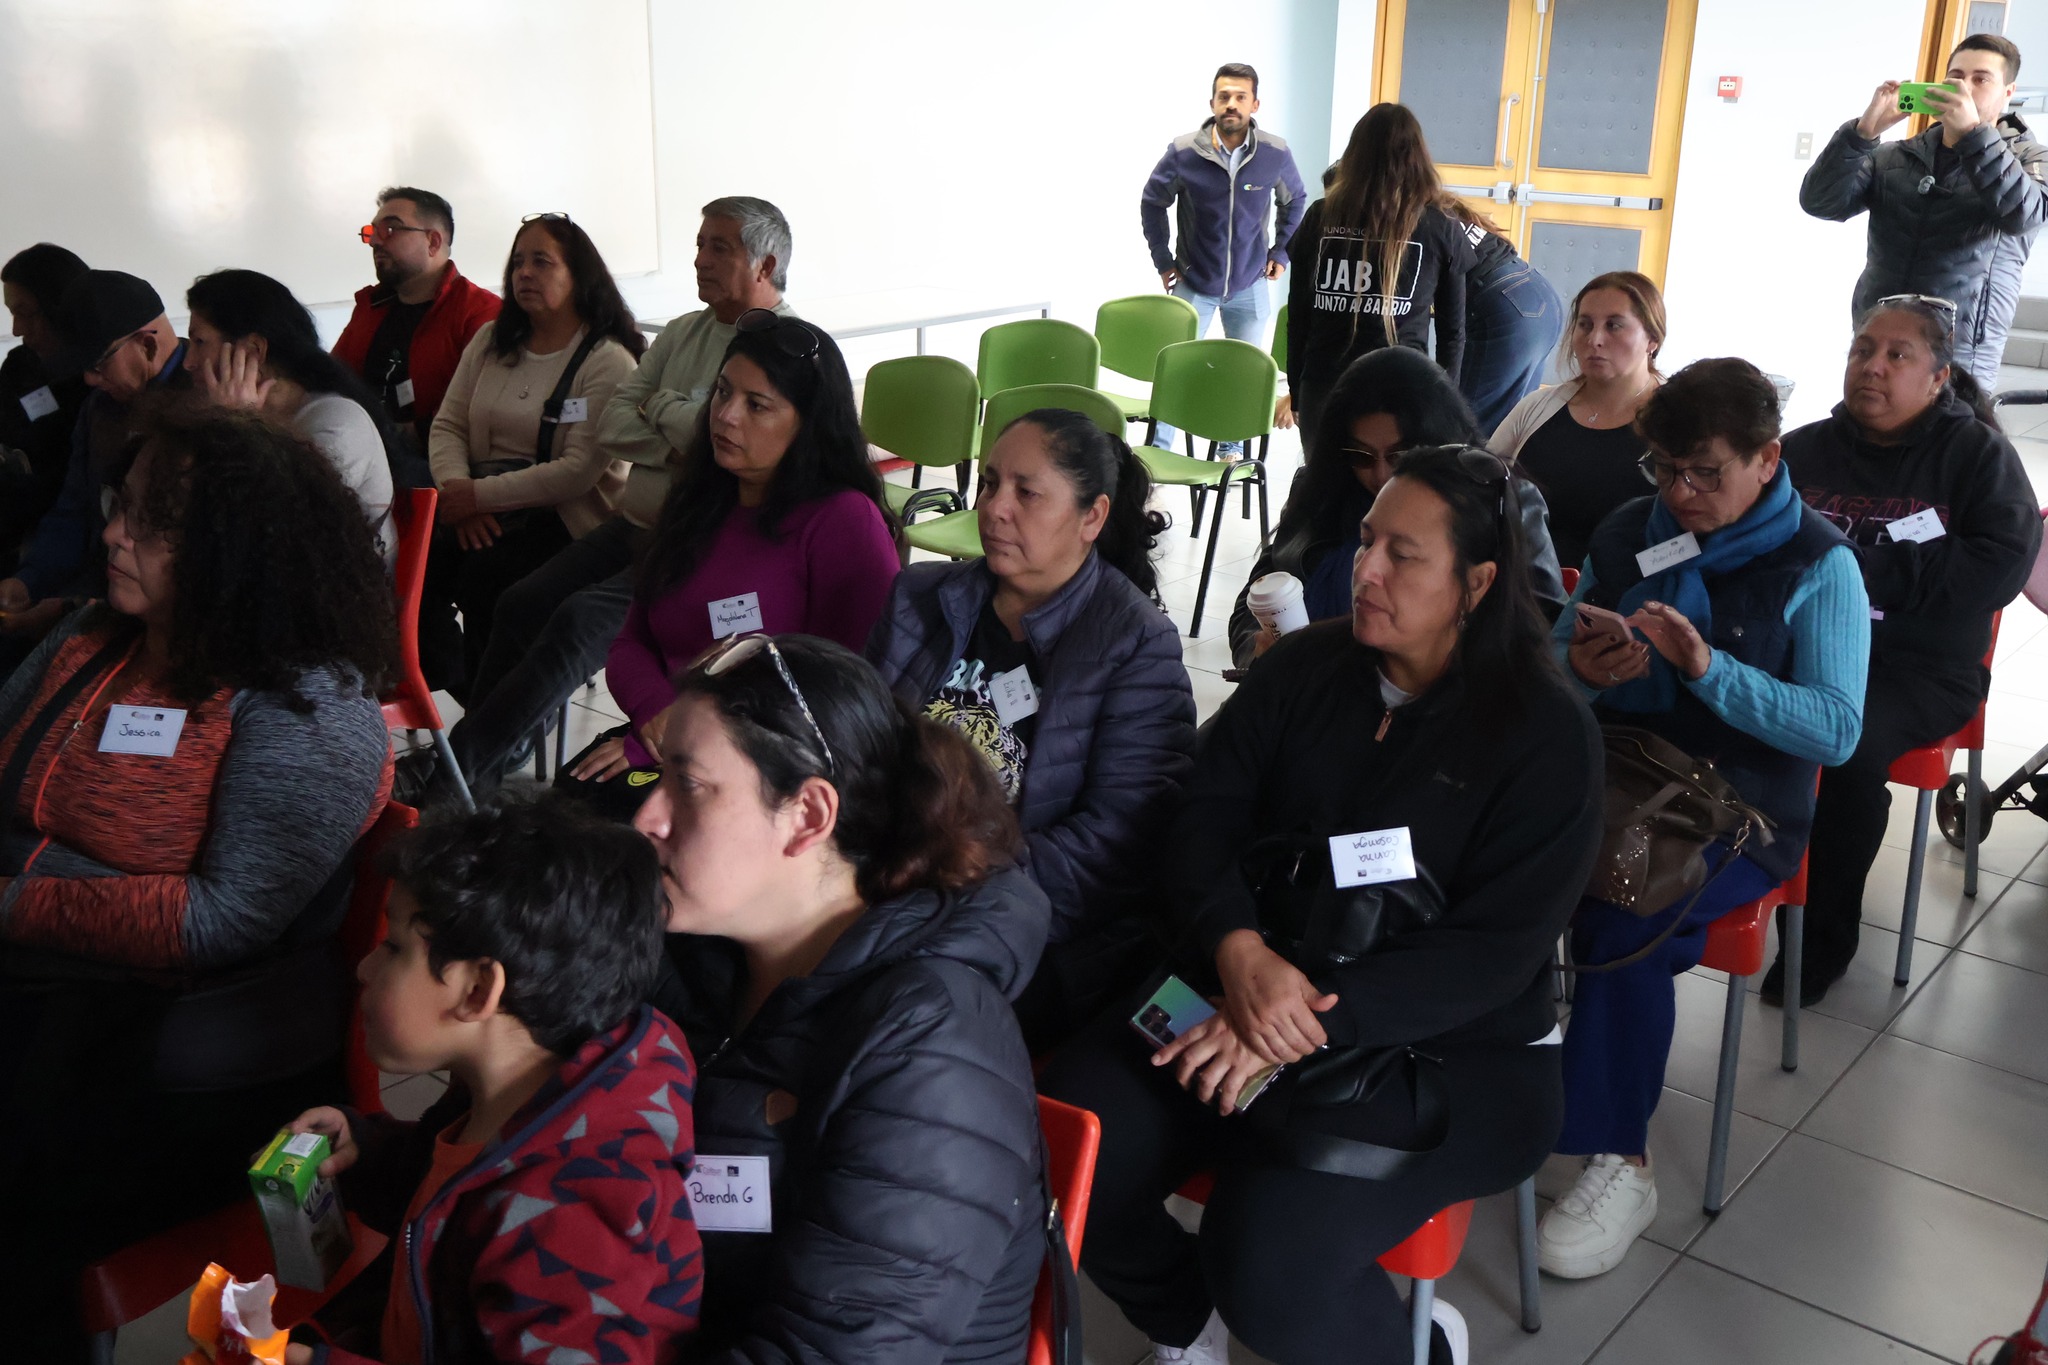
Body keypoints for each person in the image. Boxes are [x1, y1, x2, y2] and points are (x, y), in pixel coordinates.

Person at [1040, 445, 1603, 1365]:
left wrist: (1293, 1017)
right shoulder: (1303, 669)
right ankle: (1188, 1325)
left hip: (1442, 1048)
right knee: (1070, 1143)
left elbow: (1491, 955)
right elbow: (1200, 824)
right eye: (1366, 539)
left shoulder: (1544, 736)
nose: (1365, 569)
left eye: (1403, 554)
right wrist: (1238, 952)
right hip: (1234, 985)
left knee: (1269, 1259)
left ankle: (1407, 1349)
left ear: (1478, 580)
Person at [0, 405, 396, 1361]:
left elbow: (215, 921)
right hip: (60, 999)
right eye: (117, 505)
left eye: (148, 521)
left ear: (233, 550)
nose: (111, 534)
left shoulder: (305, 704)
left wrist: (15, 893)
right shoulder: (94, 640)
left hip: (186, 1050)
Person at [1534, 358, 1870, 1280]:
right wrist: (1585, 671)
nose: (1680, 494)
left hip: (1742, 807)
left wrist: (1711, 674)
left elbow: (1838, 730)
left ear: (1767, 459)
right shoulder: (1626, 528)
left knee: (1620, 905)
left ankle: (1621, 1157)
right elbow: (1562, 656)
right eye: (1665, 470)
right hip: (1621, 771)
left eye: (1705, 473)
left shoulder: (1820, 561)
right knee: (1492, 854)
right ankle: (1481, 1074)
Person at [633, 632, 1049, 1361]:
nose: (649, 819)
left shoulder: (932, 1047)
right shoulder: (693, 954)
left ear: (808, 816)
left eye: (688, 785)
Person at [277, 799, 701, 1365]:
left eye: (394, 948)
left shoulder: (571, 1214)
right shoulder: (517, 1093)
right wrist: (371, 1154)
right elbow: (461, 1200)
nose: (365, 969)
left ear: (479, 991)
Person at [407, 199, 795, 802]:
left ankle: (453, 780)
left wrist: (671, 420)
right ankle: (481, 759)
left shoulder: (782, 346)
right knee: (518, 602)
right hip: (632, 524)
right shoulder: (687, 330)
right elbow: (619, 426)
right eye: (698, 245)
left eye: (718, 248)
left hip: (699, 542)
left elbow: (717, 442)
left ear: (766, 263)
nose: (699, 259)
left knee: (575, 622)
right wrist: (684, 428)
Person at [866, 409, 1196, 1051]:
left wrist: (944, 878)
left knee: (889, 1006)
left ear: (1092, 518)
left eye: (1026, 492)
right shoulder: (918, 598)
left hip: (1015, 916)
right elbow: (854, 748)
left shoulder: (1131, 643)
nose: (995, 509)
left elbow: (1117, 839)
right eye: (989, 483)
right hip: (882, 874)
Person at [1775, 296, 2041, 1003]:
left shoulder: (1978, 457)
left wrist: (1850, 569)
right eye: (1864, 349)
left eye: (1898, 355)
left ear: (1938, 377)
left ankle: (1818, 940)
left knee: (1842, 744)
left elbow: (1999, 566)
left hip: (1920, 667)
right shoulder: (1800, 451)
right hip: (1801, 647)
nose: (1873, 366)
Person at [561, 312, 899, 818]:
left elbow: (844, 698)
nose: (725, 416)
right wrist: (657, 716)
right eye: (722, 393)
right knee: (564, 815)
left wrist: (691, 742)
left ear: (807, 424)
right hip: (675, 736)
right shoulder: (700, 499)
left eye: (756, 405)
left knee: (603, 838)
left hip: (776, 767)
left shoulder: (842, 521)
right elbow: (633, 642)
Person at [1228, 346, 1567, 670]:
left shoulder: (1498, 500)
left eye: (1401, 456)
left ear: (1439, 440)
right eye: (1361, 456)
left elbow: (1541, 628)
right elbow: (1257, 594)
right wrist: (1259, 651)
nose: (1381, 475)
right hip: (1302, 695)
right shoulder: (1322, 489)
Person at [420, 213, 644, 696]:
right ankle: (473, 697)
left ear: (579, 275)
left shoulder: (606, 360)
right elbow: (448, 425)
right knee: (411, 569)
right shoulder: (490, 341)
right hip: (477, 504)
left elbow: (576, 474)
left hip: (566, 519)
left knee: (488, 577)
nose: (524, 273)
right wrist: (458, 496)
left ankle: (492, 725)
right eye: (518, 262)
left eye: (542, 262)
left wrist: (476, 498)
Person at [1799, 34, 2048, 389]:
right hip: (1879, 336)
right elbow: (1821, 202)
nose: (1964, 87)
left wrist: (1973, 135)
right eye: (1957, 76)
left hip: (1960, 350)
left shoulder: (2030, 159)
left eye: (1981, 79)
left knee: (1952, 442)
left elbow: (2023, 215)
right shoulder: (1895, 155)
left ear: (2008, 92)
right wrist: (1862, 134)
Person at [0, 269, 190, 668]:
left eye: (99, 364)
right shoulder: (100, 408)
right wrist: (29, 581)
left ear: (147, 345)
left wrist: (75, 607)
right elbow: (74, 507)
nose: (89, 379)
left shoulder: (208, 404)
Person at [1285, 104, 1476, 446]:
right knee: (1393, 496)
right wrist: (1448, 404)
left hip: (1326, 385)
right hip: (1404, 389)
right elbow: (1453, 332)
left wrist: (1299, 391)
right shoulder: (1439, 226)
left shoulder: (1319, 216)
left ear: (1354, 155)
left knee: (1325, 492)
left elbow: (1298, 316)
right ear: (1418, 156)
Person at [1142, 62, 1306, 456]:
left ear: (1255, 103)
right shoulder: (1183, 151)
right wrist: (1163, 259)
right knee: (1173, 372)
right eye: (1224, 96)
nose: (1231, 104)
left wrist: (1281, 250)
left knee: (1241, 375)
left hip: (1249, 286)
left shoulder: (1274, 153)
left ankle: (1229, 450)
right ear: (1212, 102)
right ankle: (1159, 456)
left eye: (1240, 97)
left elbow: (1295, 200)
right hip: (1195, 283)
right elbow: (1152, 203)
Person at [185, 268, 400, 563]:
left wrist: (236, 429)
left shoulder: (337, 423)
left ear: (253, 350)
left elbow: (272, 528)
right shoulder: (253, 415)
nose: (188, 362)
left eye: (199, 343)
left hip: (337, 597)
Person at [1489, 271, 1666, 572]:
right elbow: (1480, 486)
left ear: (1652, 339)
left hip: (1623, 598)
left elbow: (1690, 538)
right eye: (1585, 325)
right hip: (1523, 589)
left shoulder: (1675, 420)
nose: (1595, 339)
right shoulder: (1537, 408)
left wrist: (1626, 580)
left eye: (1614, 326)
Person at [332, 186, 502, 450]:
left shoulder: (480, 312)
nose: (375, 241)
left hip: (438, 461)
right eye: (371, 232)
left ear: (433, 242)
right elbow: (331, 380)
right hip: (362, 448)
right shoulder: (370, 306)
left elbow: (479, 410)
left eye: (389, 230)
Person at [1439, 197, 1565, 433]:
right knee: (1507, 432)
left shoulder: (1406, 219)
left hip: (1504, 306)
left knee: (1463, 434)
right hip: (1536, 292)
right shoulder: (1436, 205)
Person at [1, 244, 91, 572]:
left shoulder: (99, 381)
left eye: (27, 313)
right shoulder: (20, 365)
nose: (16, 330)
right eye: (12, 313)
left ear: (60, 307)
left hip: (59, 542)